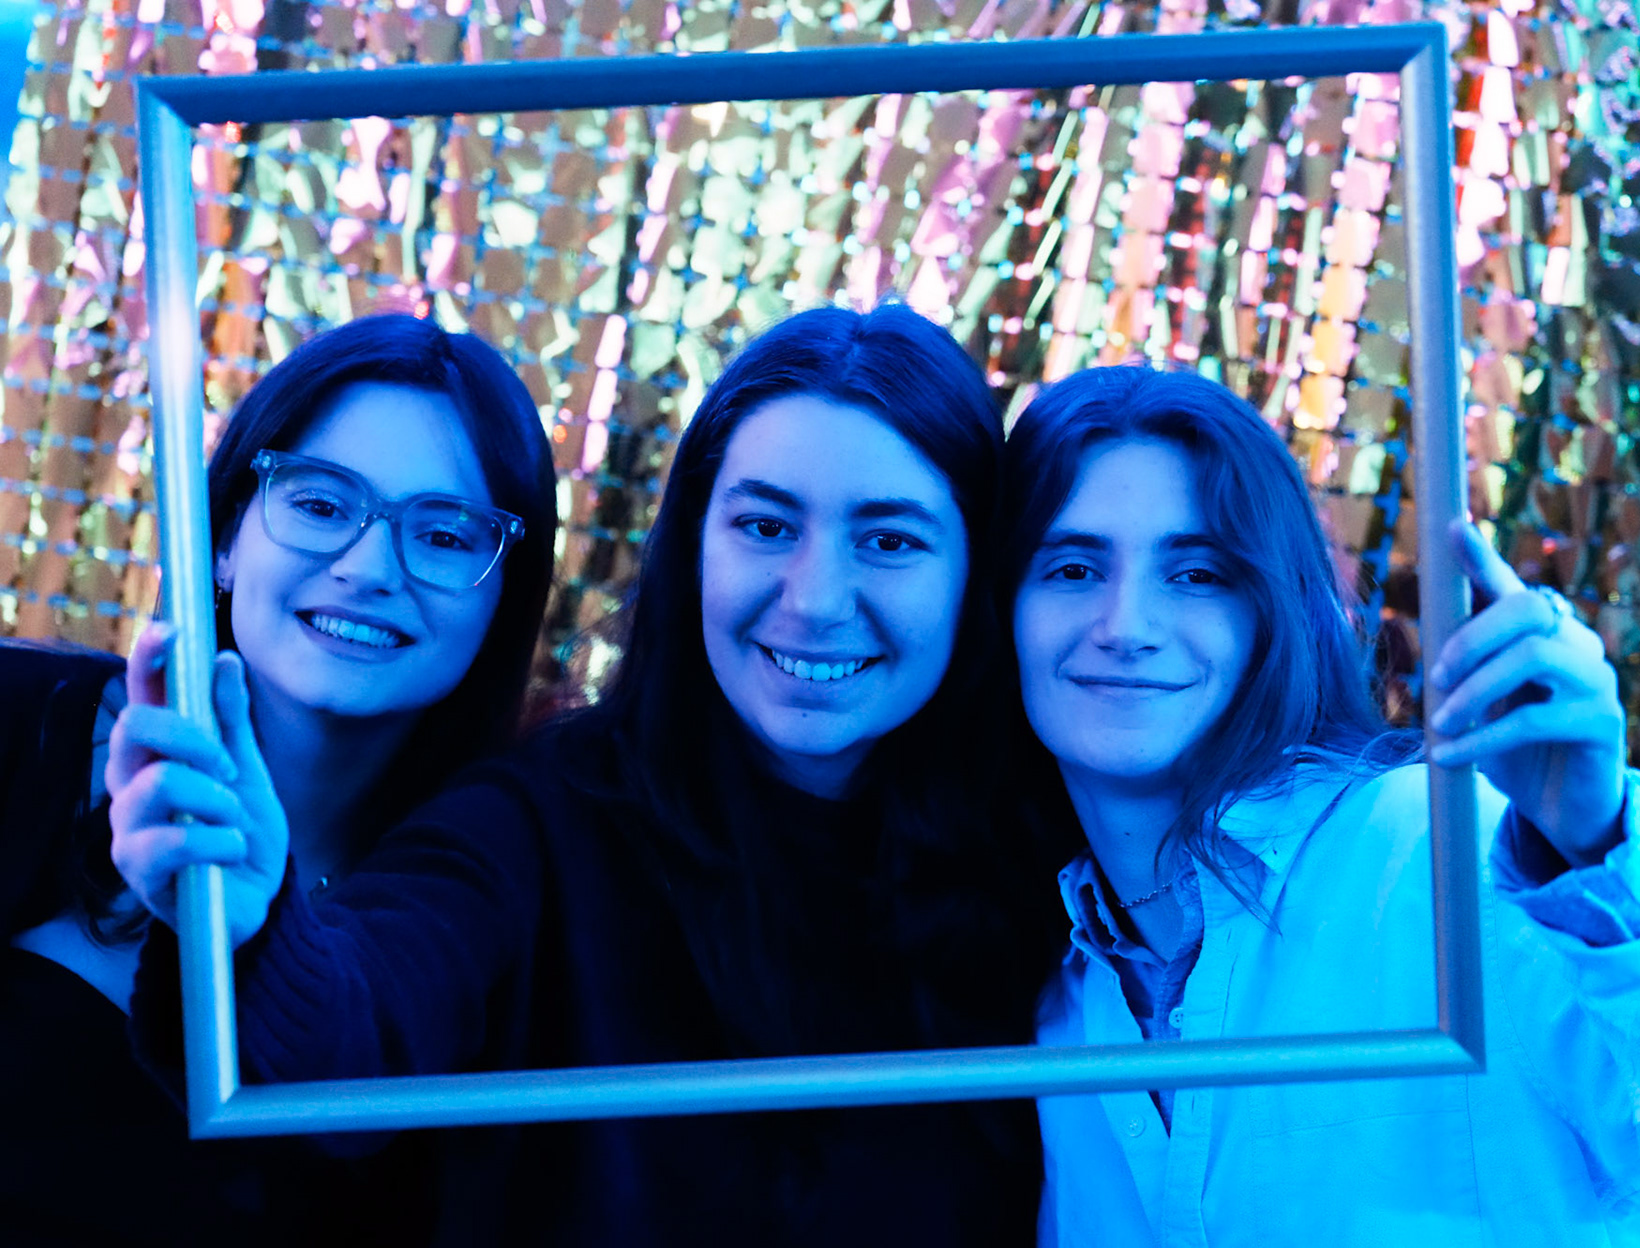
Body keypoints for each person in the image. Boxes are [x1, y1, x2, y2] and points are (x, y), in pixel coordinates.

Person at [112, 302, 1066, 1245]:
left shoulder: (1049, 871)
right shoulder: (540, 825)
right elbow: (361, 1033)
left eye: (890, 540)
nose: (815, 600)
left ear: (976, 575)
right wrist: (254, 925)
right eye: (766, 526)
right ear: (692, 545)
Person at [1001, 366, 1640, 1246]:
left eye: (1196, 574)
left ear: (1275, 607)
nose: (1125, 625)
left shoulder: (1451, 857)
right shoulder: (1048, 1000)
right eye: (1073, 568)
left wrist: (1602, 842)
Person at [0, 312, 558, 1246]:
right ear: (224, 537)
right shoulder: (22, 726)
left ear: (506, 600)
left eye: (445, 535)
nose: (369, 569)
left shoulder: (489, 893)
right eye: (321, 504)